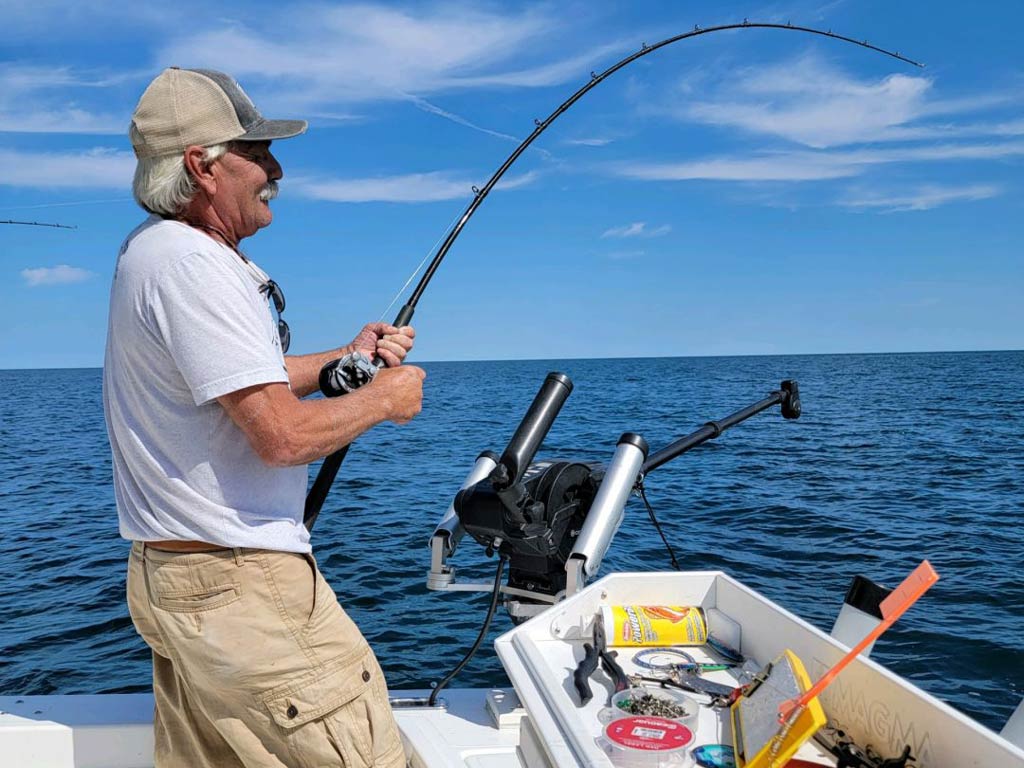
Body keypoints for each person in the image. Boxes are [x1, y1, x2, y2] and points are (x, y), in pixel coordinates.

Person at [103, 67, 423, 767]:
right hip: (240, 590)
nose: (275, 167)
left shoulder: (152, 254)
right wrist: (384, 400)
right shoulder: (193, 265)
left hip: (178, 582)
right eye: (257, 151)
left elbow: (240, 382)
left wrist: (347, 359)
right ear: (202, 165)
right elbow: (281, 436)